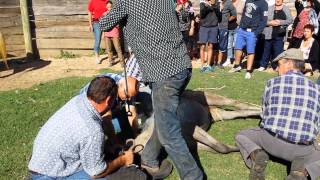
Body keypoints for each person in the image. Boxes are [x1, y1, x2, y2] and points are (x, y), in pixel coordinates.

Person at [99, 0, 203, 179]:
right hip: (182, 67)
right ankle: (149, 157)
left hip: (165, 73)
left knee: (169, 134)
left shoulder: (127, 2)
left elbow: (104, 23)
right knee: (164, 121)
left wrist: (112, 10)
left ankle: (194, 176)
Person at [235, 48, 320, 180]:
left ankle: (256, 153)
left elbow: (264, 114)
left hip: (270, 141)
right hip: (302, 150)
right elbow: (316, 123)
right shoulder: (317, 89)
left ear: (289, 63)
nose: (276, 69)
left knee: (242, 135)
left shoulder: (272, 83)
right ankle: (303, 172)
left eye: (279, 64)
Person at [28, 77, 135, 179]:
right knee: (109, 176)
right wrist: (123, 160)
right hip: (49, 174)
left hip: (39, 162)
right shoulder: (92, 130)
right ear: (108, 100)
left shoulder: (79, 100)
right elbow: (96, 172)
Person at [229, 0, 268, 79]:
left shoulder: (263, 3)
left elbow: (264, 20)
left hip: (252, 31)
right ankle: (237, 66)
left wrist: (256, 32)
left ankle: (248, 70)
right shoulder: (248, 0)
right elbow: (244, 12)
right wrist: (241, 25)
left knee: (250, 51)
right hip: (242, 29)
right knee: (238, 48)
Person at [257, 0, 293, 71]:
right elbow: (263, 20)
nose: (278, 0)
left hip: (280, 34)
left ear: (282, 0)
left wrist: (280, 22)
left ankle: (276, 66)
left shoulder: (286, 9)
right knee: (266, 50)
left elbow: (290, 20)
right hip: (268, 33)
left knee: (278, 52)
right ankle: (263, 65)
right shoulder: (269, 8)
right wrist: (270, 23)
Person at [199, 0, 220, 72]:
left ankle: (208, 65)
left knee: (211, 46)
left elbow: (219, 15)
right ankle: (202, 65)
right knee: (202, 46)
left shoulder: (217, 3)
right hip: (204, 26)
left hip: (213, 27)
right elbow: (202, 14)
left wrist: (213, 6)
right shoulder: (203, 3)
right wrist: (208, 6)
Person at [224, 0, 245, 67]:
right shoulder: (227, 2)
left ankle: (237, 60)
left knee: (237, 45)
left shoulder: (242, 2)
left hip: (238, 26)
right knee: (229, 45)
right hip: (229, 27)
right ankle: (229, 59)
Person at [216, 0, 237, 68]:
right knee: (214, 44)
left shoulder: (229, 3)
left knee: (222, 45)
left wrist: (226, 21)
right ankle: (213, 61)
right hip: (214, 26)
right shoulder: (216, 2)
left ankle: (219, 62)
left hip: (223, 27)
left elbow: (234, 15)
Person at [103, 1, 124, 67]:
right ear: (106, 7)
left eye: (110, 6)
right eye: (108, 6)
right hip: (107, 34)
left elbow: (117, 25)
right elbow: (103, 25)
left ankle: (122, 62)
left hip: (114, 34)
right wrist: (103, 33)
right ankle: (111, 61)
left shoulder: (115, 14)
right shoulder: (104, 14)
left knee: (118, 48)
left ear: (112, 7)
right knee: (109, 49)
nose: (109, 8)